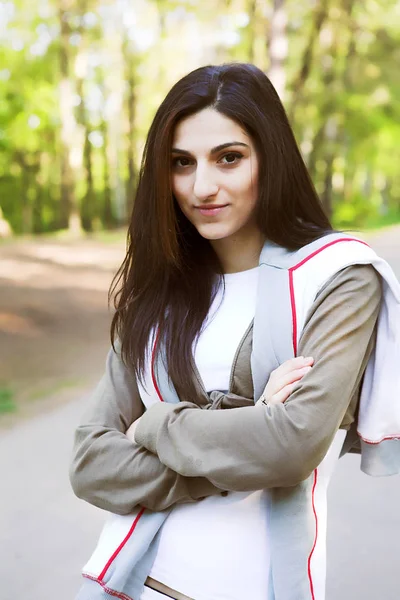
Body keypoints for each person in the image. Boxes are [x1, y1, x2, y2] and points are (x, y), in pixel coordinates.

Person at [69, 63, 399, 600]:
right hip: (130, 586)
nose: (202, 186)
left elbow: (289, 447)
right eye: (181, 163)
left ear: (270, 158)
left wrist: (153, 426)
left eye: (229, 158)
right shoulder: (157, 298)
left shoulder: (337, 277)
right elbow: (89, 467)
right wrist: (246, 427)